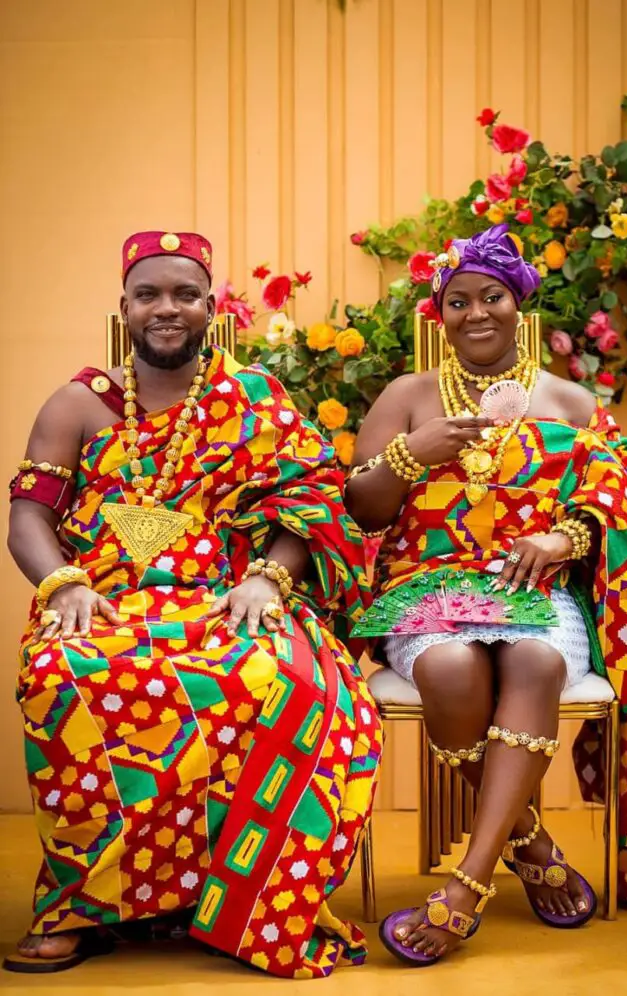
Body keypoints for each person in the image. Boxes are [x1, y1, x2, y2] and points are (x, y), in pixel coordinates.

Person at [5, 231, 382, 979]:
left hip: (228, 596)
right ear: (124, 307)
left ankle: (238, 902)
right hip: (106, 601)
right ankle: (82, 905)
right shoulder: (78, 403)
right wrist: (64, 585)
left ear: (212, 308)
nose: (167, 308)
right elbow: (27, 519)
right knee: (59, 673)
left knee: (281, 679)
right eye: (148, 295)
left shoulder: (256, 397)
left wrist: (268, 579)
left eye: (185, 294)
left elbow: (310, 503)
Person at [345, 223, 627, 966]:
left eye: (492, 297)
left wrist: (564, 539)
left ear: (519, 304)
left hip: (535, 585)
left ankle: (466, 887)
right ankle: (530, 843)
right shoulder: (408, 396)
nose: (476, 313)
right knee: (450, 670)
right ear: (440, 316)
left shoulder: (570, 401)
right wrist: (412, 454)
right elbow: (360, 511)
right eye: (458, 302)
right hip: (427, 587)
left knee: (535, 662)